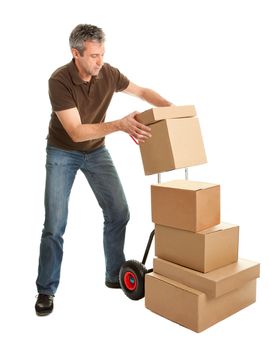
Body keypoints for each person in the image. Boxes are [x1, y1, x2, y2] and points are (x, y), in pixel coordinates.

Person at [35, 24, 172, 316]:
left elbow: (143, 91)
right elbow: (74, 132)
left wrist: (173, 110)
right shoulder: (59, 80)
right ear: (76, 54)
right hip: (63, 151)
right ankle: (46, 290)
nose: (100, 61)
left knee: (119, 212)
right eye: (94, 55)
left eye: (103, 54)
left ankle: (114, 274)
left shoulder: (108, 73)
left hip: (96, 151)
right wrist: (120, 125)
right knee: (55, 225)